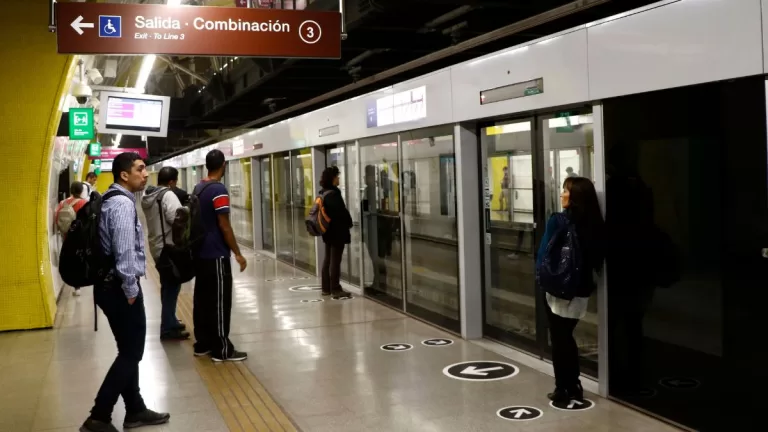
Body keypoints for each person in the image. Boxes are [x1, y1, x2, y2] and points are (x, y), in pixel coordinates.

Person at [81, 152, 169, 432]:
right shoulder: (121, 204)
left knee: (128, 350)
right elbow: (123, 251)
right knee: (132, 353)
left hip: (110, 286)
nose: (145, 174)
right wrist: (131, 289)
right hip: (120, 288)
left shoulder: (112, 198)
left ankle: (135, 410)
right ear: (124, 175)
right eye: (141, 169)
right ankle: (99, 416)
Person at [536, 176, 605, 403]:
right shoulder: (595, 226)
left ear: (575, 197)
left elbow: (544, 255)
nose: (562, 194)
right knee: (566, 336)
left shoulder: (557, 221)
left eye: (566, 191)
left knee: (559, 338)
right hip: (579, 291)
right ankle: (573, 384)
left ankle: (562, 387)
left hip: (557, 288)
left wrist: (540, 278)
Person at [192, 149, 248, 362]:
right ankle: (222, 349)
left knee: (203, 300)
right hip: (215, 254)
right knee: (220, 302)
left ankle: (203, 344)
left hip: (200, 254)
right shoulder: (218, 190)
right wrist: (238, 253)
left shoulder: (199, 187)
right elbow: (224, 226)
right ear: (223, 165)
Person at [140, 167, 189, 341]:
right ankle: (168, 328)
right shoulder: (168, 195)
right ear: (171, 182)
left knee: (167, 284)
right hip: (169, 248)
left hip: (156, 246)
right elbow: (177, 218)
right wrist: (188, 210)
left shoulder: (149, 196)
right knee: (172, 287)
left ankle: (170, 320)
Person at [318, 166, 353, 300]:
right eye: (337, 176)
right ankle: (336, 288)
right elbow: (340, 212)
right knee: (335, 260)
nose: (339, 178)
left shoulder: (324, 192)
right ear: (333, 178)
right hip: (336, 231)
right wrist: (348, 222)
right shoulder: (333, 194)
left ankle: (326, 288)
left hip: (327, 231)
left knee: (328, 258)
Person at [56, 182, 87, 296]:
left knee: (70, 259)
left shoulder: (63, 203)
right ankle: (78, 285)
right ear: (81, 191)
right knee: (79, 260)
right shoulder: (84, 203)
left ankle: (71, 281)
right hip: (79, 236)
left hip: (66, 236)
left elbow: (56, 219)